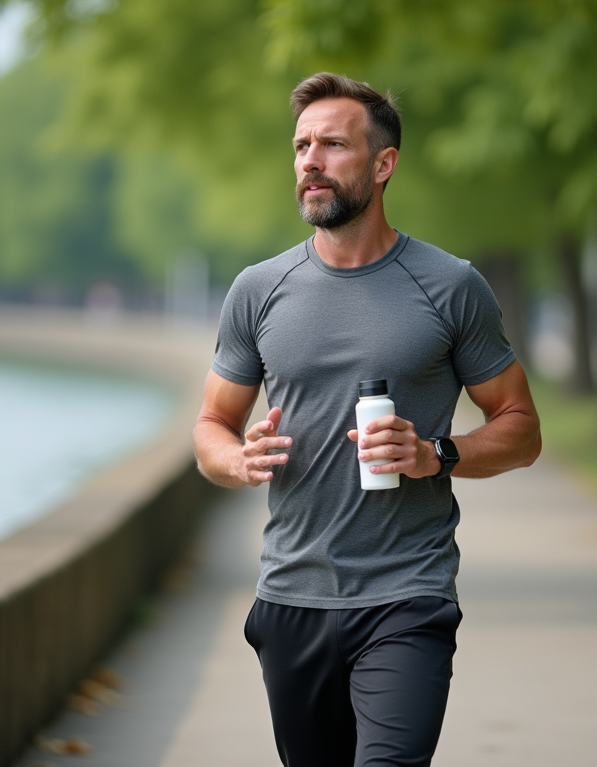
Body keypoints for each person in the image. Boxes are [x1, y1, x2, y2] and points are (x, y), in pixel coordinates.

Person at [192, 72, 542, 767]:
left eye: (331, 145)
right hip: (294, 594)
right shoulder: (258, 291)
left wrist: (436, 453)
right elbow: (211, 424)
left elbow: (521, 426)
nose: (309, 162)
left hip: (406, 595)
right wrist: (236, 458)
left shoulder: (449, 286)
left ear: (383, 165)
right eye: (300, 147)